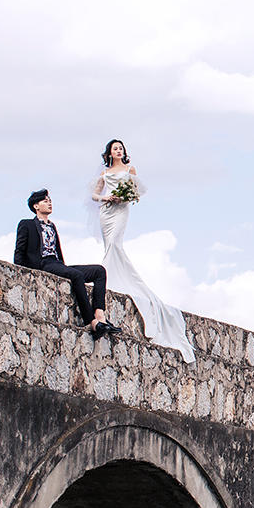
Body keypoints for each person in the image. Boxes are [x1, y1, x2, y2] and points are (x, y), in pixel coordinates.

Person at [91, 139, 196, 362]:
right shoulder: (105, 172)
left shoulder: (130, 170)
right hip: (106, 211)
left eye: (121, 148)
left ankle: (110, 276)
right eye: (115, 148)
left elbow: (137, 193)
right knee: (108, 243)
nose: (118, 151)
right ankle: (108, 276)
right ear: (110, 152)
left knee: (114, 243)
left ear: (123, 152)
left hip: (120, 211)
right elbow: (94, 195)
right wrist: (105, 197)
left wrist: (124, 197)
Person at [13, 189, 121, 340]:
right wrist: (20, 271)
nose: (49, 203)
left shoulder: (52, 226)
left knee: (99, 271)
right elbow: (19, 250)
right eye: (45, 201)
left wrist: (63, 267)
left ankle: (100, 315)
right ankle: (92, 322)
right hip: (43, 264)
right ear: (36, 206)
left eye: (50, 200)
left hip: (57, 264)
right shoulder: (26, 224)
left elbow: (58, 253)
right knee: (76, 275)